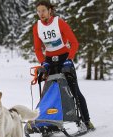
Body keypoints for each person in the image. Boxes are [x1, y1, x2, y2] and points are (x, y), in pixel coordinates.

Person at [32, 1, 94, 130]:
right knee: (49, 91)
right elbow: (38, 49)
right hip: (49, 60)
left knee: (74, 90)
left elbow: (74, 43)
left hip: (64, 58)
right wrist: (43, 63)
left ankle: (86, 120)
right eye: (38, 11)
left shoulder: (59, 22)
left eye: (43, 10)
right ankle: (49, 121)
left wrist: (69, 59)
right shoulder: (37, 27)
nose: (41, 14)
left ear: (50, 11)